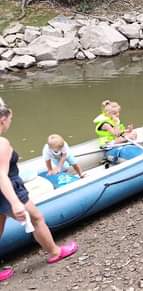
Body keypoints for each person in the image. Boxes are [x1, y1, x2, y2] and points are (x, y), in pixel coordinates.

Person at [0, 98, 78, 283]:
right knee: (36, 218)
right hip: (8, 189)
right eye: (10, 118)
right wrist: (15, 202)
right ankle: (55, 252)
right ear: (3, 119)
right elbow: (1, 175)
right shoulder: (1, 143)